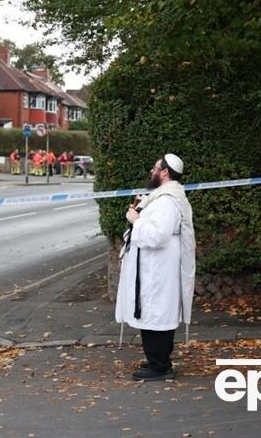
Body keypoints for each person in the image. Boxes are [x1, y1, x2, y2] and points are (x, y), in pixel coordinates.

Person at [115, 154, 195, 381]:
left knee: (158, 314)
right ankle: (155, 360)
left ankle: (160, 366)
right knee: (152, 313)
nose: (152, 171)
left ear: (165, 172)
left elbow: (158, 236)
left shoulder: (168, 201)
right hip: (154, 269)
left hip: (158, 271)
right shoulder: (162, 197)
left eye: (155, 168)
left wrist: (135, 220)